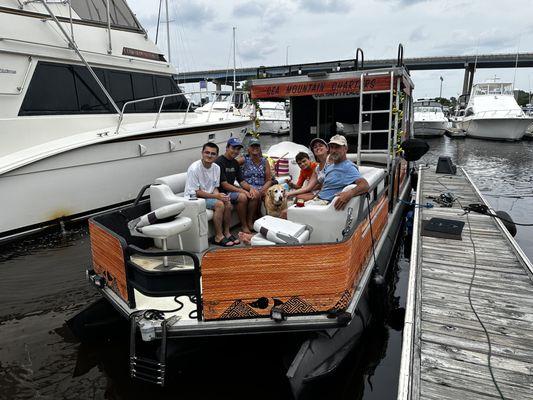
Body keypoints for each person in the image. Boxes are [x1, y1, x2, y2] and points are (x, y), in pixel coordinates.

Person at [184, 142, 234, 247]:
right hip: (194, 198)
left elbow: (214, 187)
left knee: (227, 203)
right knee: (219, 204)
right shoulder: (194, 168)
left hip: (208, 196)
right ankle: (218, 237)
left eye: (213, 153)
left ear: (216, 156)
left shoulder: (216, 168)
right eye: (207, 152)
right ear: (202, 153)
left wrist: (221, 196)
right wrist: (217, 197)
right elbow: (196, 192)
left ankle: (227, 233)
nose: (209, 155)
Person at [314, 134, 369, 210]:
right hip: (318, 199)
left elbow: (365, 185)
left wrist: (350, 193)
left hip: (325, 205)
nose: (333, 151)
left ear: (345, 149)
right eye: (332, 147)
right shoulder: (330, 166)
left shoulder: (348, 167)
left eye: (337, 147)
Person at [215, 138, 257, 235]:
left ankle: (249, 222)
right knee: (242, 196)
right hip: (220, 192)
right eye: (233, 148)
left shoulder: (235, 162)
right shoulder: (219, 162)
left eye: (238, 149)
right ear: (227, 148)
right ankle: (244, 225)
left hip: (230, 191)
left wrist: (250, 188)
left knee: (254, 194)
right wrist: (242, 191)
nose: (236, 151)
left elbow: (241, 181)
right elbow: (224, 184)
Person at [241, 137, 272, 228]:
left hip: (262, 187)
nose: (255, 148)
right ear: (248, 149)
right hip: (248, 187)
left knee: (269, 195)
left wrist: (263, 189)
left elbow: (269, 179)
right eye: (252, 146)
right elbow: (231, 163)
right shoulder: (244, 160)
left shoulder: (264, 161)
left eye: (257, 146)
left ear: (260, 148)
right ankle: (250, 221)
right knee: (255, 195)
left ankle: (268, 220)